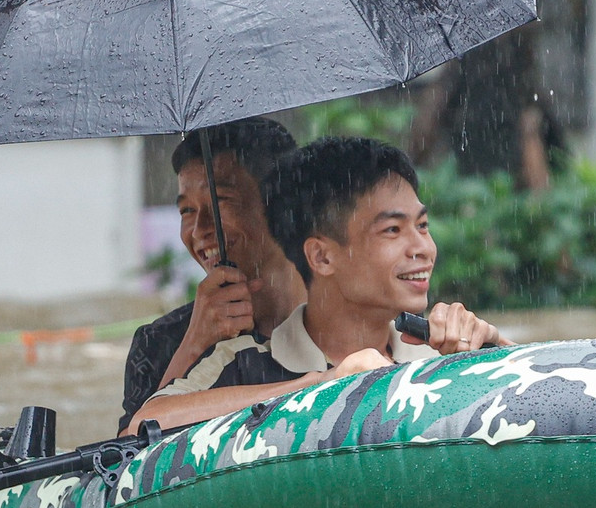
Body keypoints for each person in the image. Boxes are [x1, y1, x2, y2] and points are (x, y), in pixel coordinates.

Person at [134, 136, 510, 431]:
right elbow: (140, 428)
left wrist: (496, 352)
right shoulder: (242, 365)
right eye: (393, 230)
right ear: (322, 257)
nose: (424, 248)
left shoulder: (437, 358)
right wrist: (324, 384)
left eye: (423, 226)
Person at [118, 118, 303, 433]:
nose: (199, 230)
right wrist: (195, 342)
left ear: (284, 206)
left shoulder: (336, 323)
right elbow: (126, 464)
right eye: (186, 211)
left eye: (220, 203)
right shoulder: (157, 343)